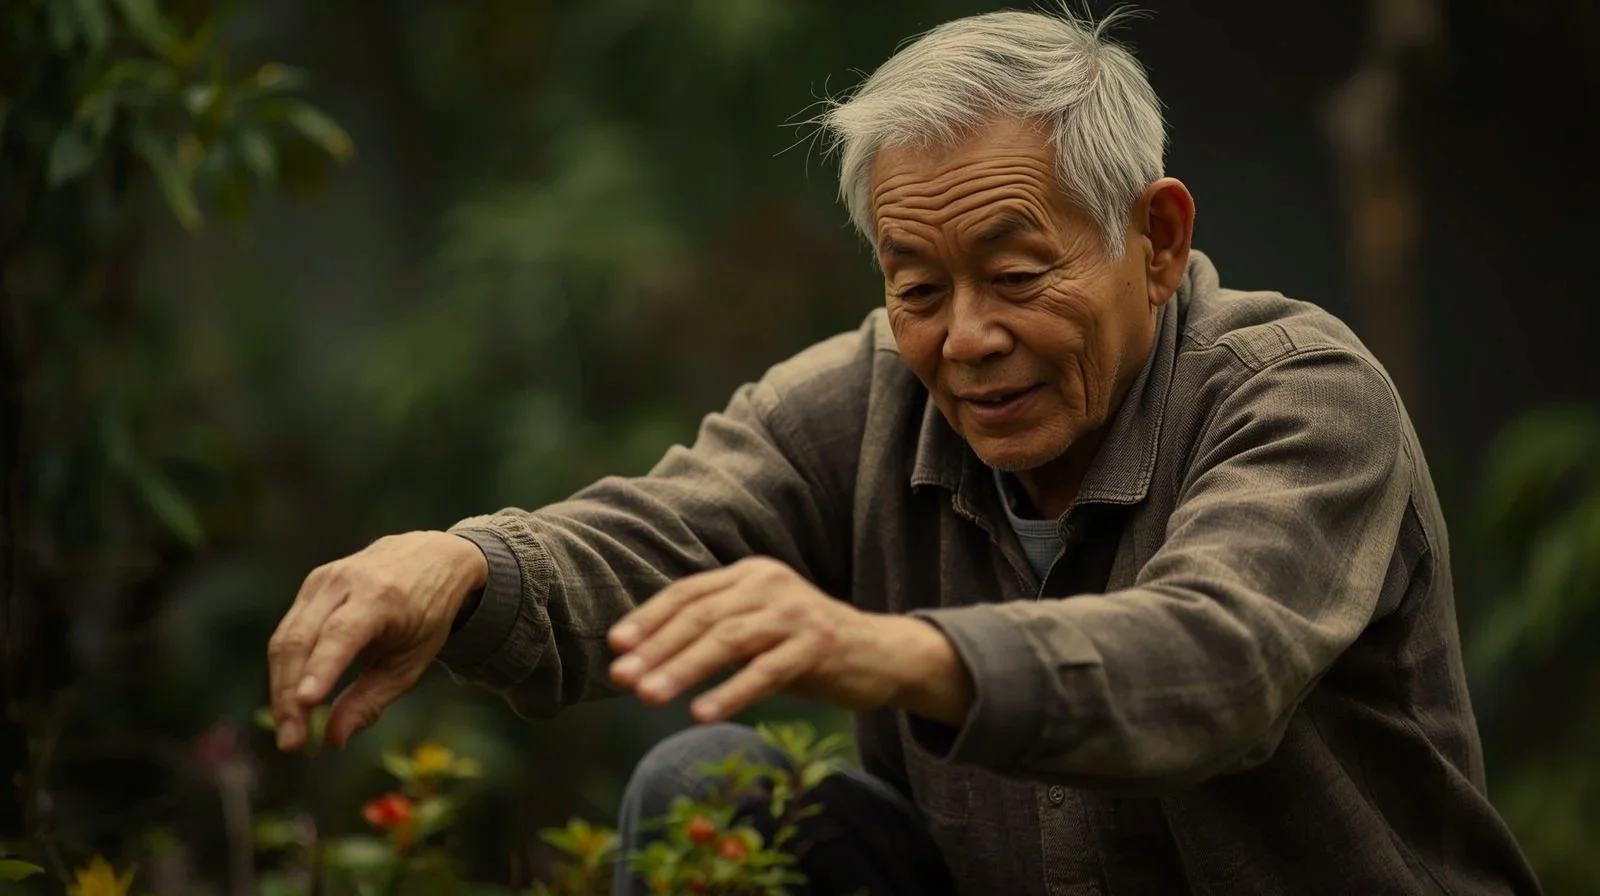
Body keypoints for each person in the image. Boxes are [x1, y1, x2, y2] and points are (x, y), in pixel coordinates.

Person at [266, 8, 1540, 895]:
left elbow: (1214, 658)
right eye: (917, 284)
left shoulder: (1297, 397)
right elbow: (665, 530)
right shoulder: (868, 396)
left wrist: (892, 651)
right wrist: (462, 563)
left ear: (1153, 241)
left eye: (1016, 273)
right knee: (712, 782)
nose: (967, 337)